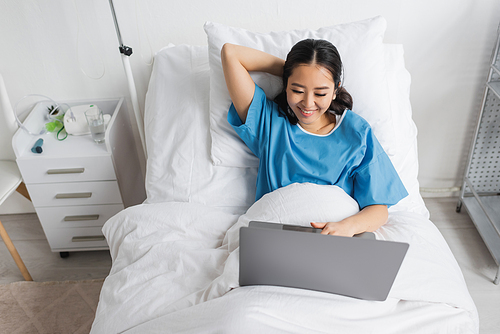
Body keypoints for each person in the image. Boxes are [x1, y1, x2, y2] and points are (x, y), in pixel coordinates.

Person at [221, 39, 408, 237]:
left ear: (335, 90)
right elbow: (231, 53)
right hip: (277, 236)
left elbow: (379, 209)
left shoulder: (357, 133)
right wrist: (294, 71)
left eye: (320, 92)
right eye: (297, 90)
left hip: (335, 239)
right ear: (286, 86)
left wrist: (348, 227)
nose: (308, 103)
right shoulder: (268, 122)